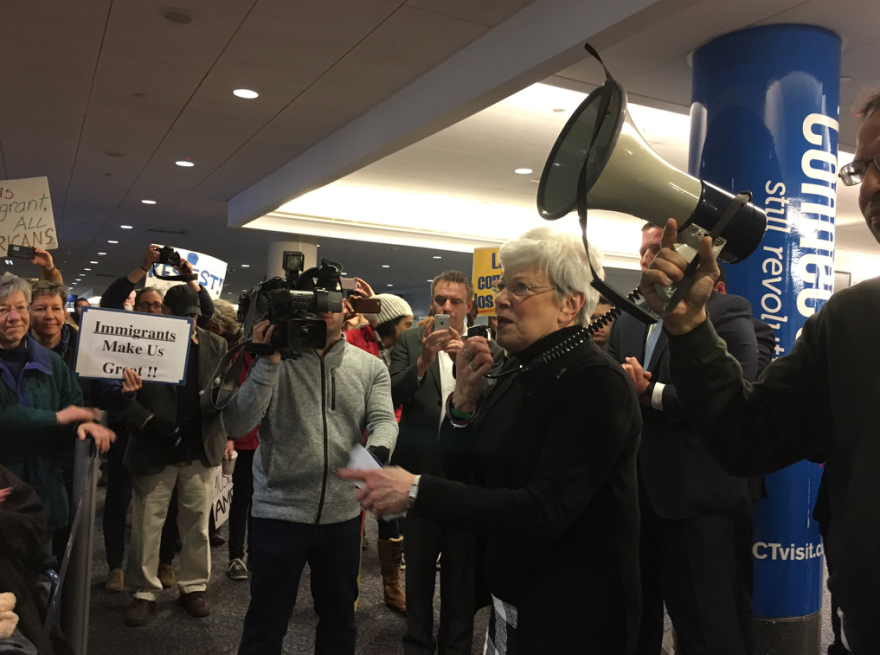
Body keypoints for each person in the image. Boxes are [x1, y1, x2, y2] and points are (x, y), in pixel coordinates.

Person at [638, 91, 880, 655]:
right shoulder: (850, 321)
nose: (869, 186)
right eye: (862, 167)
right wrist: (691, 325)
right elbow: (747, 434)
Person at [340, 226, 643, 654]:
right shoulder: (522, 367)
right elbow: (471, 473)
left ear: (570, 304)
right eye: (502, 284)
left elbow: (543, 510)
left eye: (519, 287)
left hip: (573, 611)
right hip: (515, 591)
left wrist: (415, 490)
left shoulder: (593, 381)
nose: (500, 298)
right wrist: (461, 407)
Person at [222, 264, 398, 655]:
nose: (324, 309)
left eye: (331, 299)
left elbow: (384, 419)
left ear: (344, 305)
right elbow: (237, 422)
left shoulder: (369, 366)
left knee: (339, 621)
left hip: (342, 517)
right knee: (266, 622)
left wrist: (375, 457)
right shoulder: (274, 359)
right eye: (312, 299)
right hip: (278, 514)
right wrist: (267, 363)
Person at [608, 224, 758, 655]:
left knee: (709, 628)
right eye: (642, 252)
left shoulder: (726, 311)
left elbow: (734, 395)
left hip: (699, 502)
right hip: (636, 500)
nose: (649, 260)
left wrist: (649, 394)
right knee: (636, 624)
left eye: (659, 250)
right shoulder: (626, 323)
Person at [388, 270, 503, 655]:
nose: (447, 308)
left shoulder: (489, 346)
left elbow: (498, 407)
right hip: (417, 472)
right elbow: (390, 395)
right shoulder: (409, 340)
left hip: (465, 479)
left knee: (461, 575)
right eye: (440, 300)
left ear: (469, 307)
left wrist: (465, 367)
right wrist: (423, 360)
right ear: (432, 301)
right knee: (418, 572)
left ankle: (456, 647)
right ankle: (416, 645)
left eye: (455, 301)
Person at [120, 284, 228, 626]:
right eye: (182, 316)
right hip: (155, 445)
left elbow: (227, 391)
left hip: (200, 445)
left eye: (194, 317)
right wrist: (146, 421)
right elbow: (121, 393)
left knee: (197, 524)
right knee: (146, 525)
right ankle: (143, 592)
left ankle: (193, 587)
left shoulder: (217, 345)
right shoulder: (142, 342)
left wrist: (228, 430)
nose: (190, 323)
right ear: (165, 313)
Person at [0, 273, 115, 560]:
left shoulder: (50, 361)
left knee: (41, 576)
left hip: (44, 492)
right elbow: (6, 418)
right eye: (3, 309)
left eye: (21, 307)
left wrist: (85, 422)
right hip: (4, 489)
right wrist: (58, 418)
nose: (14, 317)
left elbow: (73, 403)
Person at [345, 288, 414, 613]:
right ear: (388, 323)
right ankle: (348, 590)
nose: (410, 330)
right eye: (406, 323)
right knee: (351, 523)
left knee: (390, 517)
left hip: (388, 442)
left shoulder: (404, 350)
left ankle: (392, 587)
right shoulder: (351, 341)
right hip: (353, 446)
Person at [205, 299, 257, 581]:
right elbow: (226, 394)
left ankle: (256, 552)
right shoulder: (237, 353)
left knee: (263, 500)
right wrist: (228, 435)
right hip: (244, 436)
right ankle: (237, 556)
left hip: (269, 438)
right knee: (243, 498)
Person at [101, 244, 215, 328]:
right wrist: (143, 269)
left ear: (165, 309)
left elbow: (207, 309)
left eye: (157, 305)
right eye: (144, 305)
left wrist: (189, 279)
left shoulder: (175, 329)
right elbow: (111, 300)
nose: (151, 309)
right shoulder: (124, 327)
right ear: (135, 308)